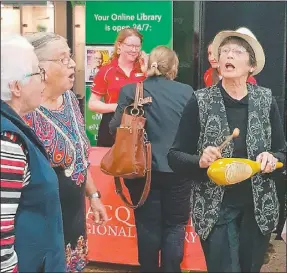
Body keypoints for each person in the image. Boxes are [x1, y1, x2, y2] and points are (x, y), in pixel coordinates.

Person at [168, 27, 286, 272]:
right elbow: (175, 156)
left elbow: (282, 152)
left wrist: (271, 157)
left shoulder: (265, 100)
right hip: (215, 209)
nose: (228, 56)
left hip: (258, 208)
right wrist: (200, 161)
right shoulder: (200, 101)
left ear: (251, 66)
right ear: (218, 63)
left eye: (237, 51)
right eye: (224, 52)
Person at [23, 32, 108, 272]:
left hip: (74, 222)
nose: (72, 63)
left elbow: (79, 156)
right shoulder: (25, 112)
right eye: (63, 58)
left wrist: (94, 196)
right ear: (41, 69)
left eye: (70, 56)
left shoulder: (70, 100)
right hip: (42, 230)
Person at [110, 46, 194, 272]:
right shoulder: (187, 92)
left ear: (148, 65)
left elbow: (114, 128)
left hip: (141, 171)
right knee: (175, 226)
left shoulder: (130, 91)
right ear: (173, 68)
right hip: (179, 171)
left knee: (146, 225)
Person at [1, 33, 66, 272]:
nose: (43, 80)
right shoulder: (8, 140)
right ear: (16, 87)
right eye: (37, 73)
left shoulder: (14, 128)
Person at [88, 27, 147, 147]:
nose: (134, 50)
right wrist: (117, 107)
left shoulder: (144, 69)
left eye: (137, 46)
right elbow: (92, 104)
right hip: (112, 122)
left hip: (140, 123)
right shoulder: (106, 70)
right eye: (130, 45)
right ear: (119, 46)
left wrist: (147, 72)